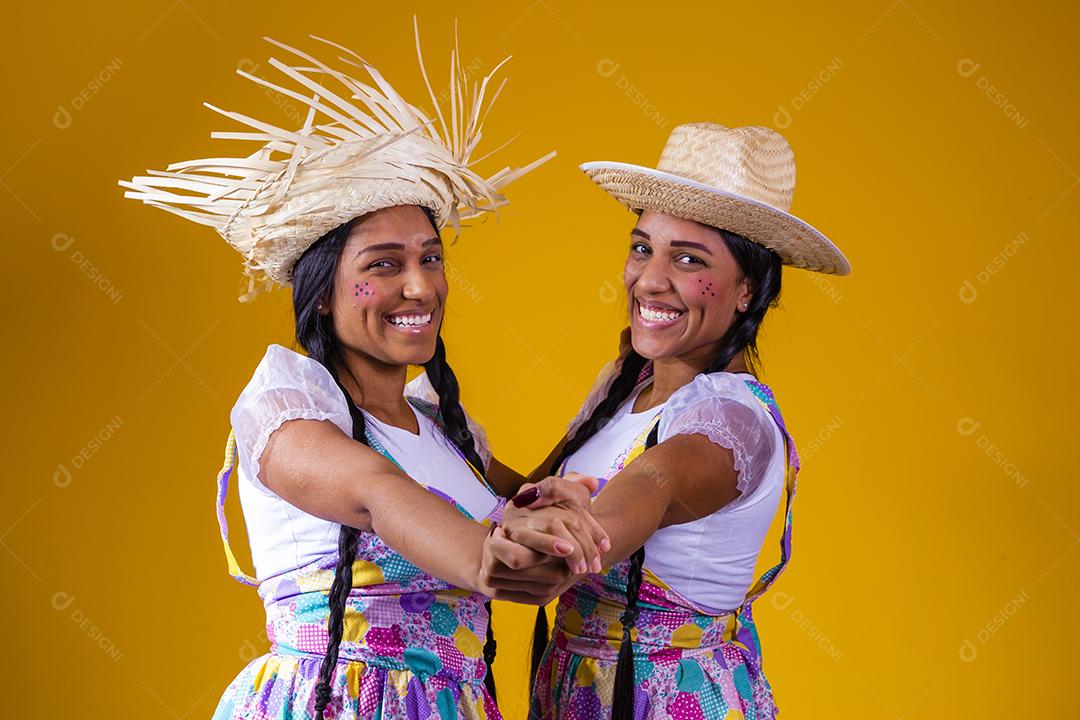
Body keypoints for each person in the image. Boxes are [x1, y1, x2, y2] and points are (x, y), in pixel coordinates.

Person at [119, 27, 603, 720]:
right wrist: (486, 560)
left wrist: (610, 406)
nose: (420, 286)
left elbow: (528, 502)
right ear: (321, 292)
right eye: (384, 264)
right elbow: (378, 493)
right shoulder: (287, 415)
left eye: (430, 258)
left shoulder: (442, 428)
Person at [486, 122, 852, 720]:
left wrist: (569, 539)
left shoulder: (732, 421)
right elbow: (524, 496)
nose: (649, 280)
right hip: (581, 689)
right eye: (642, 248)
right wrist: (441, 432)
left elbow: (650, 486)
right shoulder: (623, 388)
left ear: (747, 290)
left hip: (668, 697)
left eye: (687, 259)